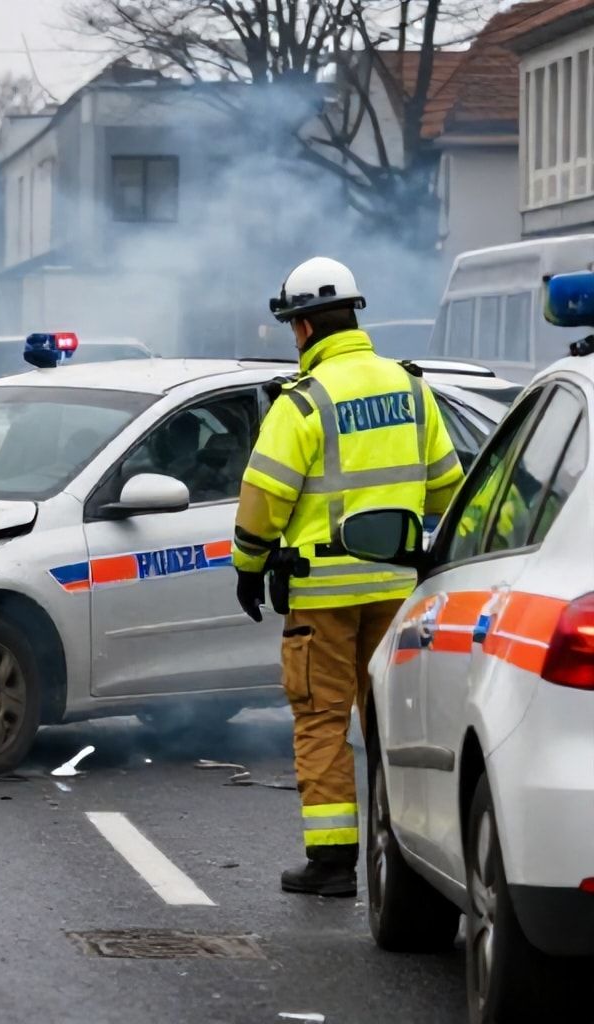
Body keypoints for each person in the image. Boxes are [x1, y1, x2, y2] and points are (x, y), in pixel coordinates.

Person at [231, 257, 464, 897]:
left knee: (321, 720)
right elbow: (448, 490)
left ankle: (332, 864)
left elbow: (262, 500)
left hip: (322, 600)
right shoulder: (411, 388)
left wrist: (249, 569)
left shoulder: (302, 403)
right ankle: (410, 852)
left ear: (302, 327)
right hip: (398, 593)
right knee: (389, 724)